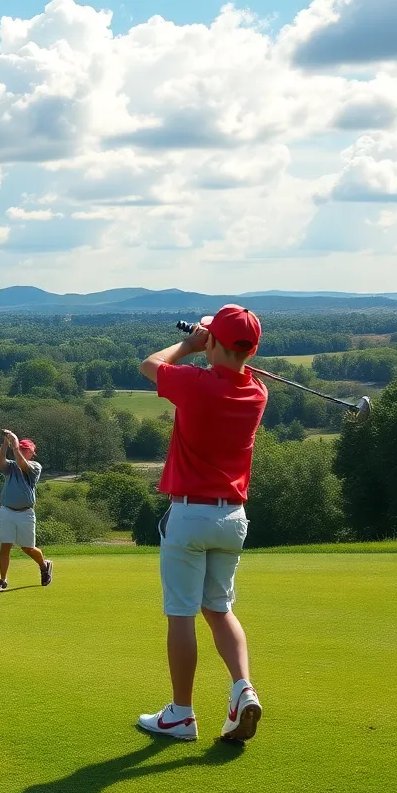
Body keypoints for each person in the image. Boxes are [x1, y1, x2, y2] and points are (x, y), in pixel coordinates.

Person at [136, 305, 268, 743]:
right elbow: (236, 370)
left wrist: (190, 344)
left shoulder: (196, 383)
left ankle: (181, 714)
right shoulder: (257, 393)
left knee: (181, 614)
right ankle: (242, 688)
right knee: (219, 608)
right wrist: (221, 352)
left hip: (190, 514)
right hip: (232, 517)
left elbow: (151, 365)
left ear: (214, 342)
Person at [0, 429, 52, 592]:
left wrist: (15, 444)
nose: (23, 450)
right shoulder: (10, 466)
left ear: (32, 453)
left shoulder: (34, 467)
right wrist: (5, 443)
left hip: (25, 513)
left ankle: (44, 565)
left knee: (27, 548)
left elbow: (23, 464)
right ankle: (2, 580)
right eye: (21, 448)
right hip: (7, 511)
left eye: (26, 449)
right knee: (5, 545)